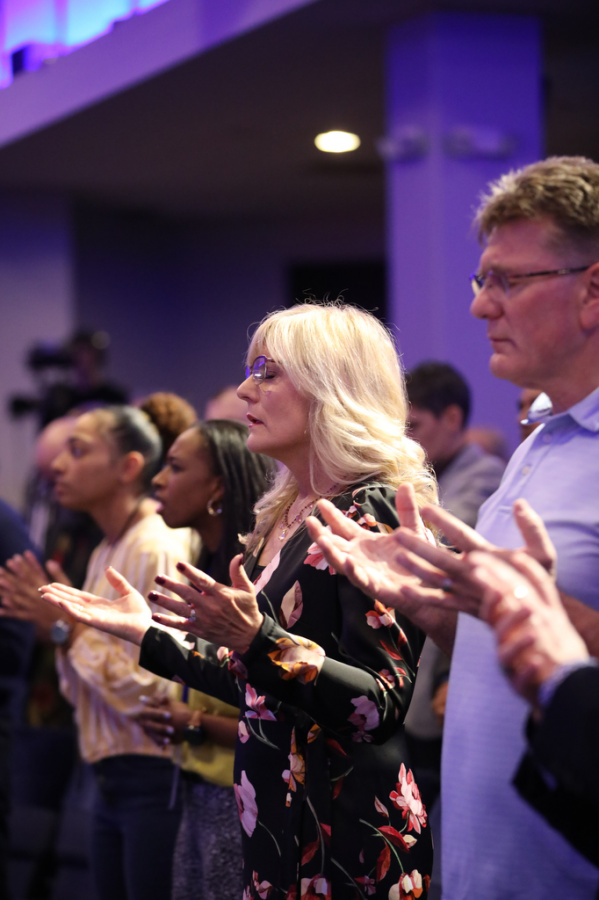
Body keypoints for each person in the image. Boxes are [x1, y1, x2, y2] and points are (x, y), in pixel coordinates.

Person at [40, 302, 438, 899]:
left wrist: (259, 639)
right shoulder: (284, 513)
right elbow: (255, 683)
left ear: (332, 387)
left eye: (267, 373)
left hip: (345, 834)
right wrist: (148, 633)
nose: (245, 390)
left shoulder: (371, 509)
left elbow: (378, 706)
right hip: (275, 823)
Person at [306, 157, 599, 899]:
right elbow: (501, 650)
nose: (480, 306)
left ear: (592, 290)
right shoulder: (540, 443)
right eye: (480, 280)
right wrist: (429, 605)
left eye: (507, 280)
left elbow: (549, 632)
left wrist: (531, 605)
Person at [0, 405, 197, 900]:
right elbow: (84, 681)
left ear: (128, 467)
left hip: (152, 770)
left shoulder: (155, 545)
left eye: (78, 451)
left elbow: (155, 686)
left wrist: (64, 632)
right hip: (110, 770)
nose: (58, 466)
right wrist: (60, 630)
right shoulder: (109, 547)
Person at [138, 419, 276, 900]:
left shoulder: (253, 578)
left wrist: (194, 723)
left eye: (175, 468)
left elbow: (277, 701)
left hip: (242, 793)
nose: (158, 480)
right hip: (197, 785)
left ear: (217, 486)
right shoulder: (203, 559)